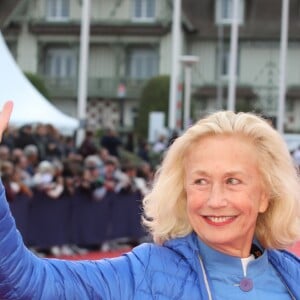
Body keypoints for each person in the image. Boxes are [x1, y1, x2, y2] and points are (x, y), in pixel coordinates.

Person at [0, 101, 299, 299]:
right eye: (200, 181)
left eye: (232, 181)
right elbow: (27, 284)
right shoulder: (141, 273)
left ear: (265, 196)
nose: (215, 199)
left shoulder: (292, 277)